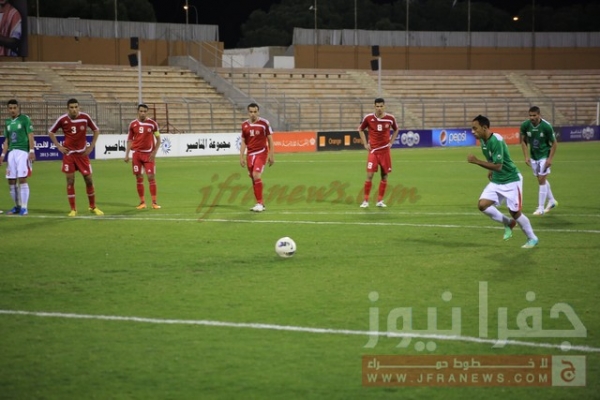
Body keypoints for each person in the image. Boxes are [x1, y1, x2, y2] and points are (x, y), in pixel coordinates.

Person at [468, 115, 538, 249]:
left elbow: (499, 166)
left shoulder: (497, 140)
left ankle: (532, 238)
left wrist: (476, 161)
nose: (473, 131)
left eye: (475, 128)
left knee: (515, 212)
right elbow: (491, 159)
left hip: (511, 180)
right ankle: (508, 223)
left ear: (484, 127)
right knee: (482, 205)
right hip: (497, 180)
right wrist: (490, 169)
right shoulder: (483, 140)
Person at [48, 98, 103, 217]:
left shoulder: (85, 117)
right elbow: (51, 132)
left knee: (89, 180)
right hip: (69, 155)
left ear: (79, 107)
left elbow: (96, 130)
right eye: (71, 107)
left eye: (76, 107)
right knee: (70, 181)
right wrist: (59, 146)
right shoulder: (62, 119)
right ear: (68, 108)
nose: (74, 109)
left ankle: (93, 206)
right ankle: (73, 209)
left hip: (82, 155)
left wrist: (91, 146)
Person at [357, 97, 399, 208]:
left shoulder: (390, 118)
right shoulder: (368, 118)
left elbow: (396, 129)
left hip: (385, 151)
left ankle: (380, 201)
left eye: (381, 106)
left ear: (384, 106)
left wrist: (391, 142)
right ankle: (365, 201)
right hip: (374, 151)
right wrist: (365, 144)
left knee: (384, 176)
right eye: (377, 106)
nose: (379, 108)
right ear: (374, 106)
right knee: (369, 175)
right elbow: (360, 129)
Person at [519, 106, 558, 216]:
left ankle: (540, 208)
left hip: (544, 155)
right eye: (530, 115)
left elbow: (554, 143)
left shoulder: (546, 126)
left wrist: (550, 159)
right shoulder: (525, 125)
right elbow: (523, 141)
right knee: (540, 179)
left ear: (539, 115)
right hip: (534, 156)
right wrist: (526, 156)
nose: (532, 117)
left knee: (541, 179)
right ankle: (552, 200)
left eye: (534, 115)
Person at [0, 99, 34, 215]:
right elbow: (7, 140)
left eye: (14, 108)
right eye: (10, 108)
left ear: (18, 108)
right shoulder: (7, 122)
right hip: (12, 153)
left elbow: (30, 135)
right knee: (11, 180)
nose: (12, 110)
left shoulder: (25, 119)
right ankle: (17, 206)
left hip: (23, 152)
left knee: (22, 179)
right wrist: (2, 155)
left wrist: (31, 151)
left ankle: (24, 207)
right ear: (7, 109)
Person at [124, 104, 161, 209]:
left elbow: (158, 139)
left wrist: (154, 153)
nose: (143, 113)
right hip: (137, 155)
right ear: (138, 111)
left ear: (147, 112)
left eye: (145, 111)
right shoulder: (133, 124)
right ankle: (142, 202)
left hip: (149, 155)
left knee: (151, 177)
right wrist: (127, 154)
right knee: (139, 178)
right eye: (141, 111)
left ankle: (154, 203)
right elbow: (130, 140)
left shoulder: (152, 124)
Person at [240, 102, 274, 212]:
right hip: (250, 154)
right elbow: (244, 141)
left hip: (261, 152)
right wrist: (241, 156)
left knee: (256, 175)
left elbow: (270, 139)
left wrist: (271, 154)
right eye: (251, 112)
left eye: (255, 112)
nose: (253, 114)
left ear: (258, 112)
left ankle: (260, 203)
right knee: (253, 178)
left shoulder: (264, 123)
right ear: (248, 112)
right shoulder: (244, 125)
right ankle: (260, 203)